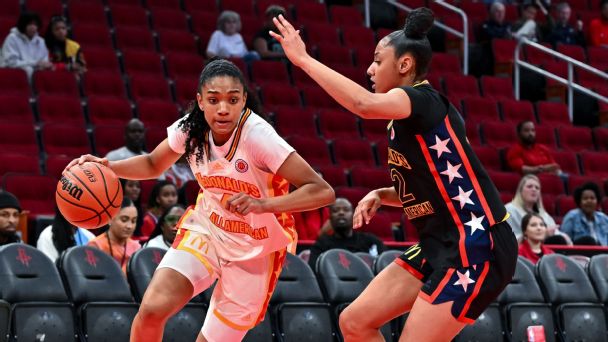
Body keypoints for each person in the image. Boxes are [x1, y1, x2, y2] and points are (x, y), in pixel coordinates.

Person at [271, 8, 518, 341]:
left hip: (476, 244)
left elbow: (363, 104)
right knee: (354, 322)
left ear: (404, 65)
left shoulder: (421, 100)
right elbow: (440, 186)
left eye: (377, 60)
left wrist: (302, 59)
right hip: (440, 241)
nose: (370, 69)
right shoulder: (412, 117)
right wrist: (383, 194)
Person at [66, 58, 334, 341]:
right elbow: (153, 164)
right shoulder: (191, 128)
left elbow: (321, 190)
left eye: (232, 100)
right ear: (200, 101)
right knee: (152, 309)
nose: (223, 109)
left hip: (256, 247)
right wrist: (107, 166)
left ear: (244, 99)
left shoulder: (259, 136)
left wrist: (263, 204)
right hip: (209, 228)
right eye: (214, 99)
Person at [308, 198, 386, 268]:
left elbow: (385, 267)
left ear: (353, 215)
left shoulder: (371, 241)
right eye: (335, 210)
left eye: (346, 210)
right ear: (330, 218)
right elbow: (315, 269)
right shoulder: (321, 244)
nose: (341, 213)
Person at [505, 174, 567, 243]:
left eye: (537, 188)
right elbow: (508, 239)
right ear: (520, 191)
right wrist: (543, 234)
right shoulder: (510, 210)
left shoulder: (543, 214)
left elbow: (555, 232)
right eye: (529, 186)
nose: (534, 189)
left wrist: (565, 236)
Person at [88, 198, 141, 273]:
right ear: (110, 219)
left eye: (133, 221)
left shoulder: (136, 247)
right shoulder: (96, 245)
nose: (129, 226)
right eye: (124, 220)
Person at [0, 11, 53, 79]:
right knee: (28, 70)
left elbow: (44, 60)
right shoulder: (12, 38)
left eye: (35, 24)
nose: (33, 27)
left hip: (36, 72)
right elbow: (11, 63)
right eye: (30, 24)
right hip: (13, 73)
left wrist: (45, 65)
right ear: (23, 25)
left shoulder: (41, 41)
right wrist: (35, 63)